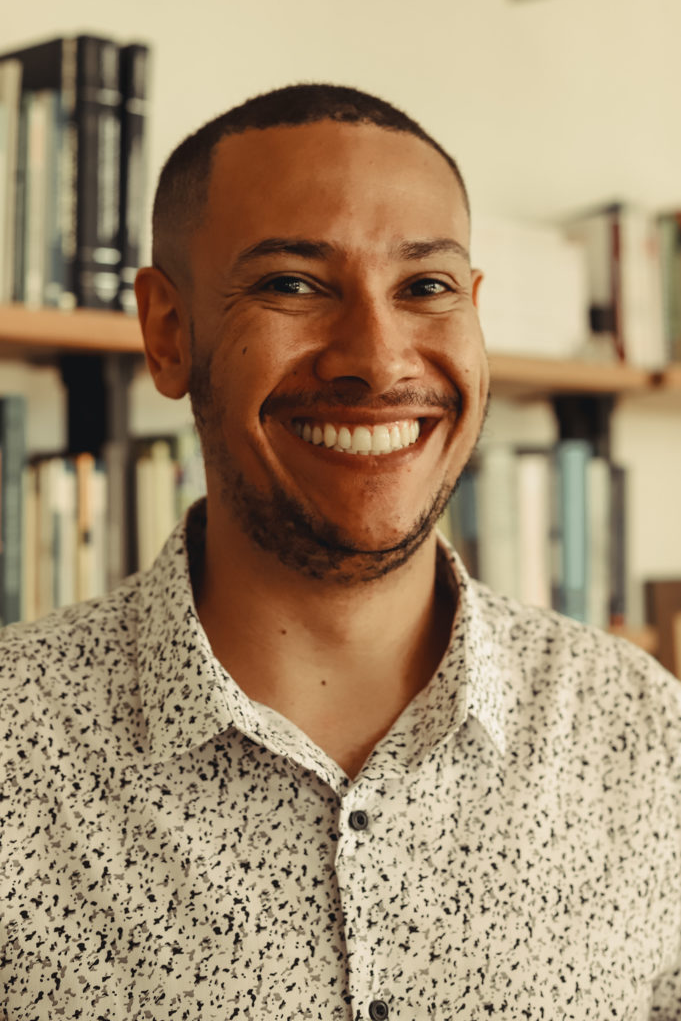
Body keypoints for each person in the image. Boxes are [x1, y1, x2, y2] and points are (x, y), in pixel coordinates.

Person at [1, 83, 680, 1021]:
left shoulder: (643, 737)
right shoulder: (14, 747)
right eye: (292, 283)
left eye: (426, 287)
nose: (377, 355)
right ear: (167, 332)